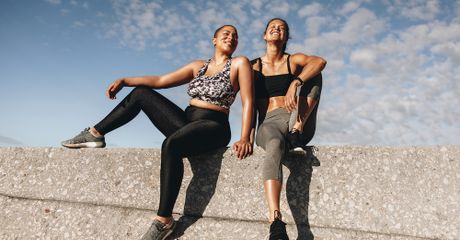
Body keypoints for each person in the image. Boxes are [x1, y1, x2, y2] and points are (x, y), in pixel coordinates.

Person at [61, 25, 254, 240]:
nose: (231, 37)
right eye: (226, 34)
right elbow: (161, 81)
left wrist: (245, 137)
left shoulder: (239, 63)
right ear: (214, 40)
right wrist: (126, 80)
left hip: (214, 126)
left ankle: (164, 220)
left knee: (171, 144)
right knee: (141, 93)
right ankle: (95, 134)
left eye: (235, 36)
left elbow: (248, 102)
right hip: (188, 121)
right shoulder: (198, 66)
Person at [251, 18, 326, 240]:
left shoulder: (293, 61)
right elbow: (246, 101)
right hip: (269, 123)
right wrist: (246, 136)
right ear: (265, 35)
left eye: (282, 28)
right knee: (274, 144)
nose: (277, 29)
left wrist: (296, 81)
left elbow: (320, 61)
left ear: (285, 37)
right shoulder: (254, 66)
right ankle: (275, 219)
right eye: (272, 27)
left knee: (315, 70)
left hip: (297, 118)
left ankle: (296, 131)